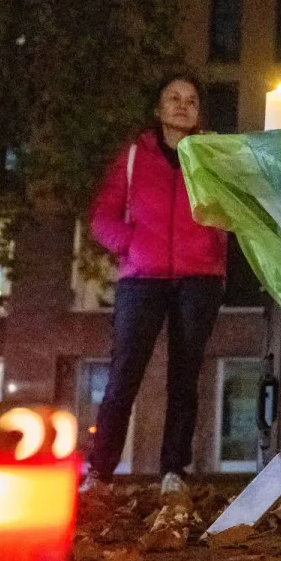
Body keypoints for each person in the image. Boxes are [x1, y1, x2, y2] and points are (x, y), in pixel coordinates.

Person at [83, 74, 227, 496]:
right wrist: (130, 244)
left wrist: (215, 247)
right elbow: (101, 217)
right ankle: (100, 473)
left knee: (185, 377)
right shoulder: (133, 156)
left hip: (199, 278)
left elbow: (236, 208)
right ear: (158, 109)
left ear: (199, 113)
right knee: (124, 375)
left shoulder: (212, 157)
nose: (183, 105)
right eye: (174, 98)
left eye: (192, 100)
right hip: (141, 279)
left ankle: (173, 472)